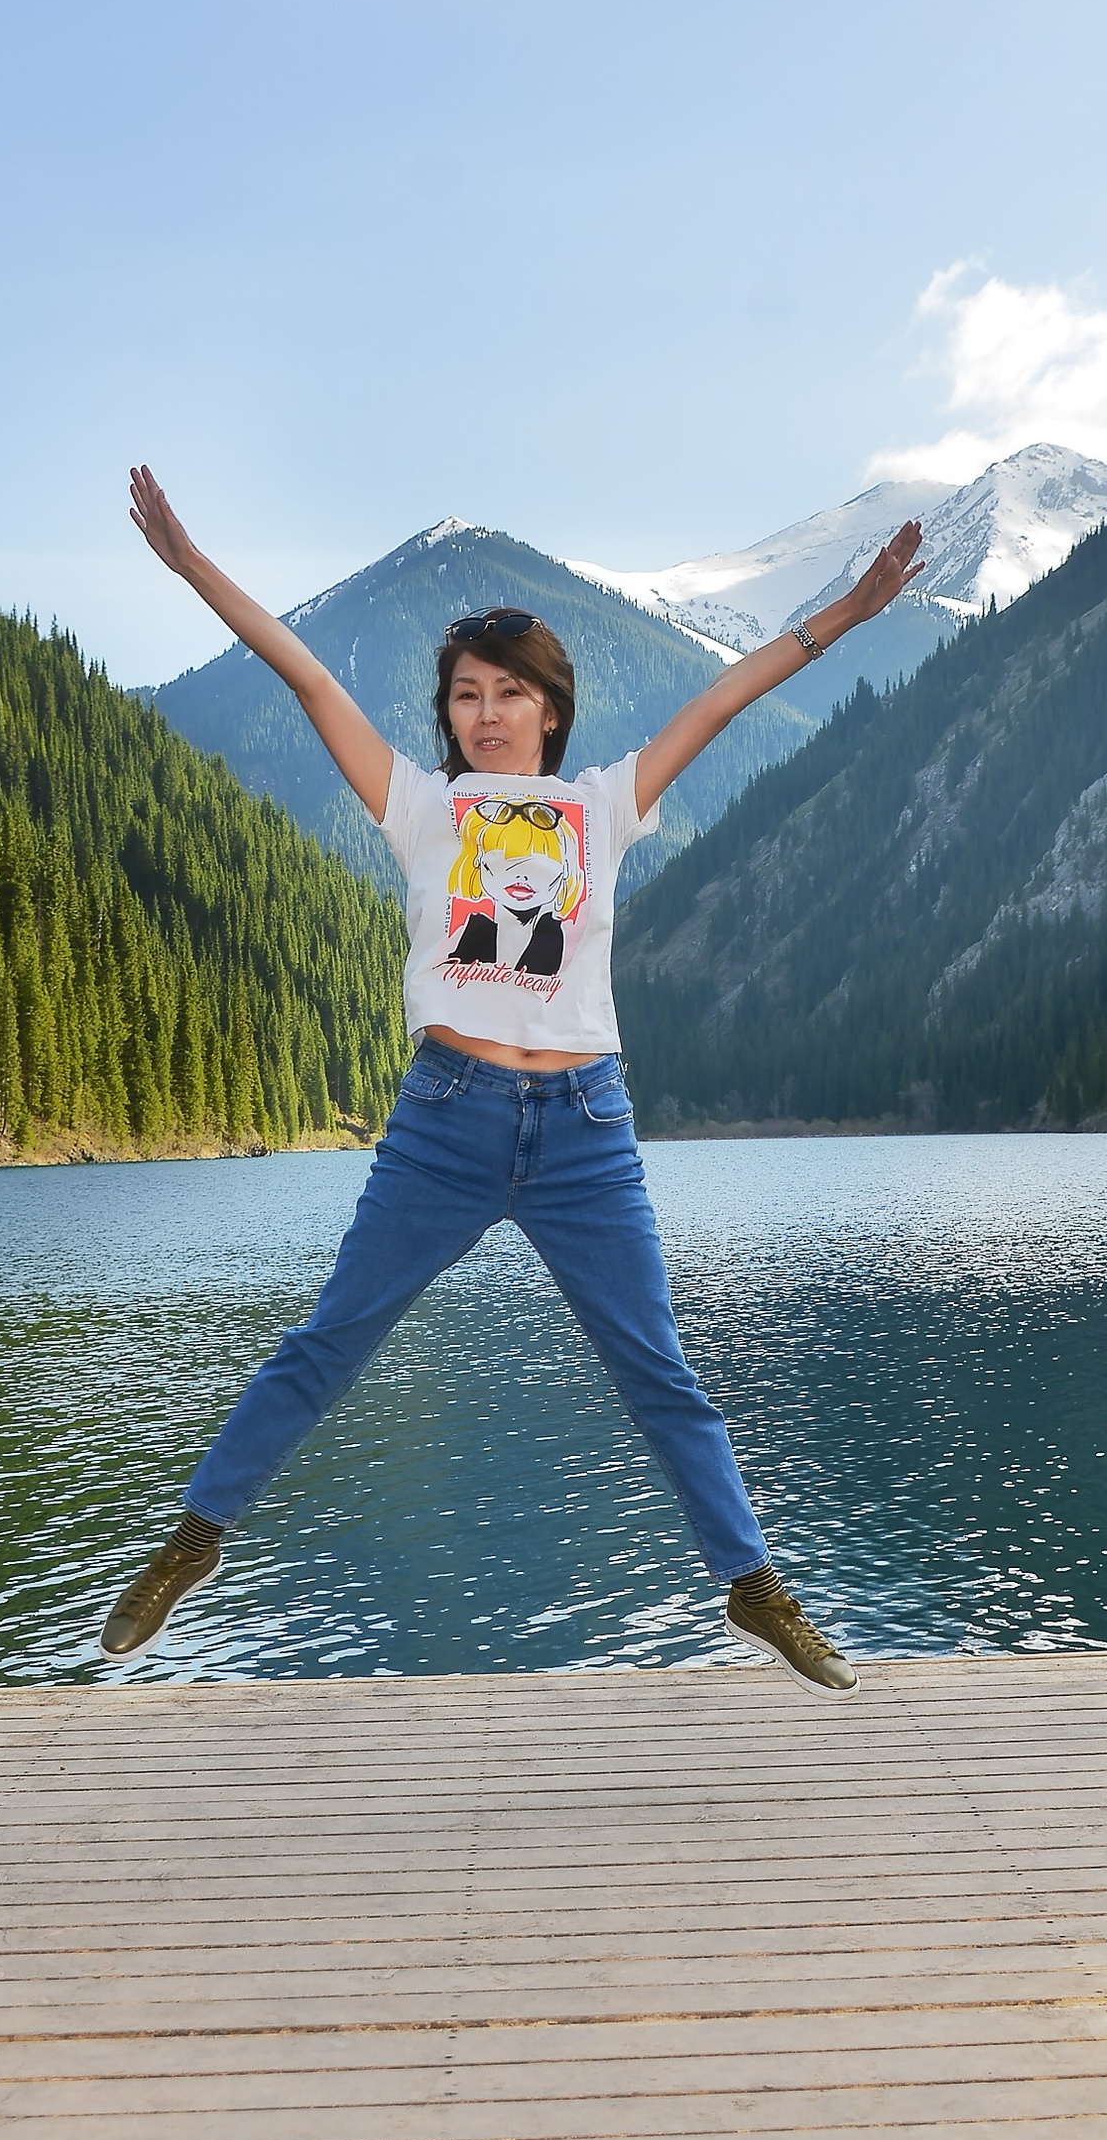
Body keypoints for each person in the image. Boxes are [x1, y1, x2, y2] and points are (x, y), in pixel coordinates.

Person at [102, 468, 925, 1690]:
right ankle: (193, 1540)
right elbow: (307, 674)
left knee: (660, 1371)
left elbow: (724, 697)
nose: (486, 715)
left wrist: (846, 617)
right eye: (466, 696)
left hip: (587, 1125)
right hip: (447, 1118)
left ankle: (753, 1588)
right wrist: (192, 568)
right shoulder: (421, 809)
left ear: (550, 710)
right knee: (328, 1344)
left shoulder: (602, 807)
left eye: (510, 695)